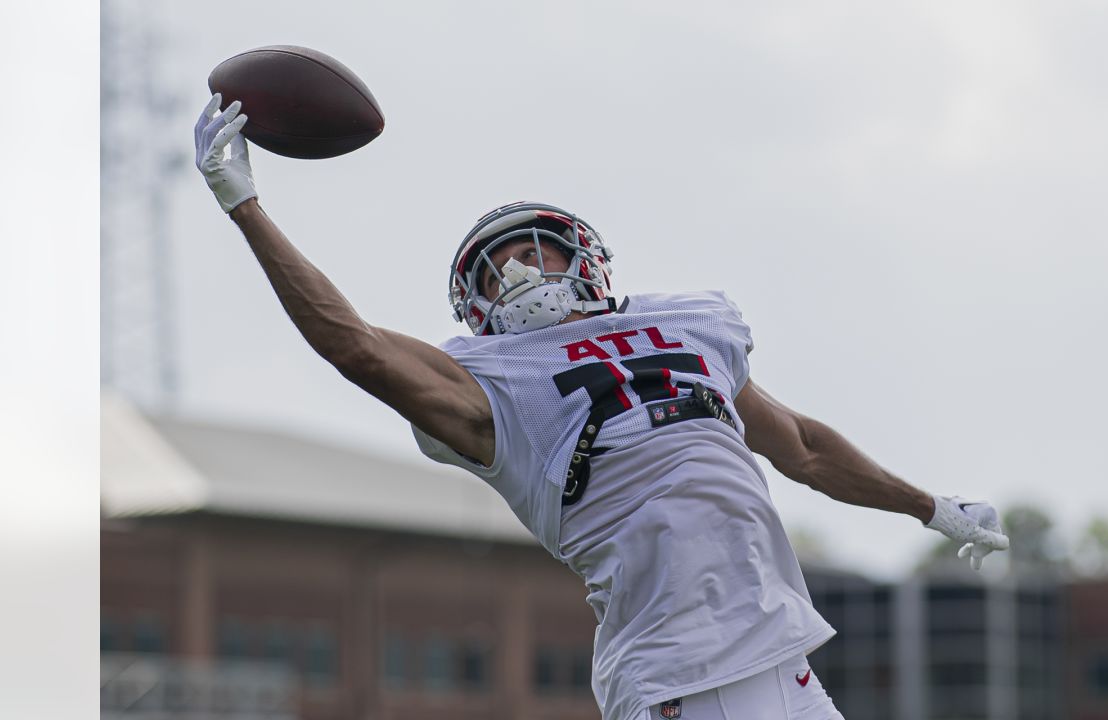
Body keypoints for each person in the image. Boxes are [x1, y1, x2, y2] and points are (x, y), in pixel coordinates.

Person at [194, 94, 1009, 720]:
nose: (515, 274)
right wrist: (246, 208)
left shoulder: (689, 323)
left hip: (779, 653)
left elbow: (799, 445)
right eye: (494, 271)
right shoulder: (488, 385)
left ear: (583, 254)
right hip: (686, 670)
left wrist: (930, 506)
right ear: (472, 309)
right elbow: (354, 346)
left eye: (528, 251)